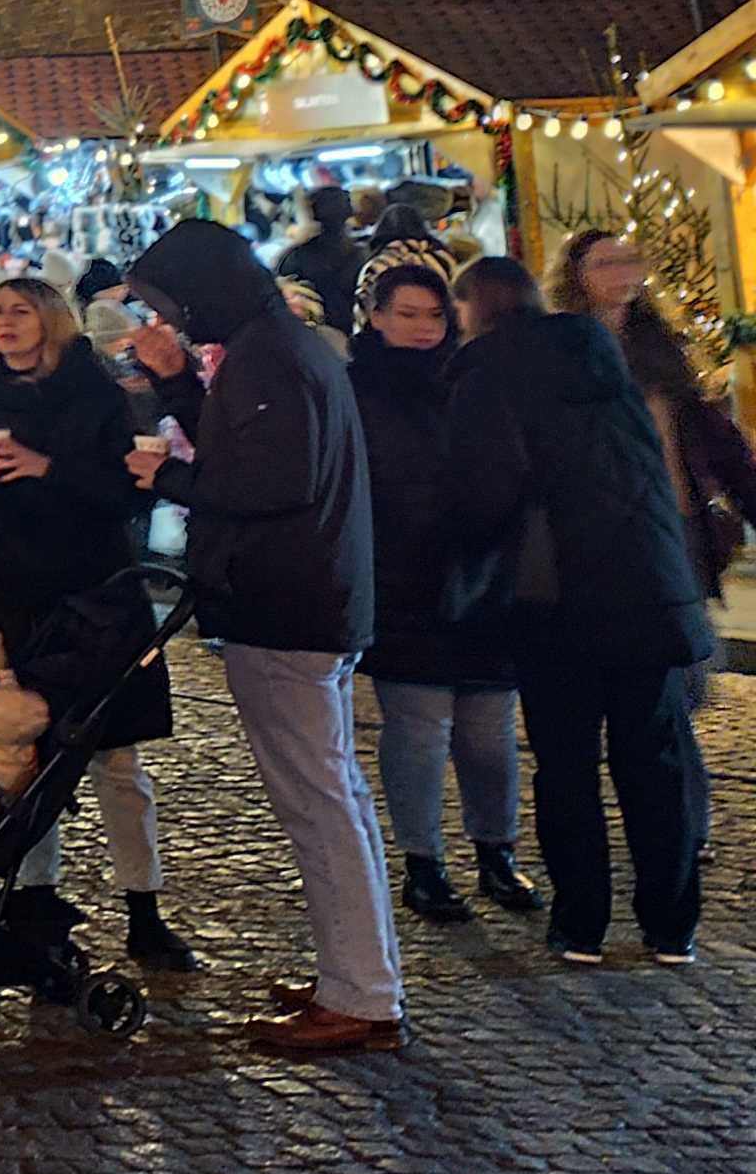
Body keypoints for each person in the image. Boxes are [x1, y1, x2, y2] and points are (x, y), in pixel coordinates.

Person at [122, 220, 397, 1055]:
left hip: (287, 604)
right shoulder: (276, 344)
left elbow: (271, 481)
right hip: (304, 599)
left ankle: (362, 993)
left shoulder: (273, 353)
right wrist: (177, 389)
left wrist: (164, 476)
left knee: (319, 804)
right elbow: (251, 449)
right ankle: (357, 973)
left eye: (172, 304)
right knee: (333, 795)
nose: (170, 318)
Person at [449, 253, 716, 966]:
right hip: (647, 590)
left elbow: (481, 496)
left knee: (567, 769)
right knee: (652, 765)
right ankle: (671, 926)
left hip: (556, 597)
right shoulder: (600, 362)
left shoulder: (486, 374)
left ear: (473, 310)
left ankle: (581, 925)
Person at [0, 275, 188, 972]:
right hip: (3, 595)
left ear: (51, 323)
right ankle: (31, 900)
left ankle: (144, 906)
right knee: (21, 755)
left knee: (115, 759)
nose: (6, 323)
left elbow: (122, 496)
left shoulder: (95, 394)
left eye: (21, 311)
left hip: (92, 595)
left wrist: (46, 467)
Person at [346, 257, 536, 927]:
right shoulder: (355, 388)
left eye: (434, 314)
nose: (424, 327)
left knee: (489, 733)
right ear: (375, 317)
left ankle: (496, 851)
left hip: (481, 574)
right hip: (402, 580)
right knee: (420, 730)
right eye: (408, 314)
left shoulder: (478, 379)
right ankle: (422, 862)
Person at [555, 228, 756, 591]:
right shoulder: (564, 352)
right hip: (608, 531)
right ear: (577, 275)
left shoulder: (660, 345)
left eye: (627, 262)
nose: (620, 274)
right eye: (604, 265)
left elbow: (714, 435)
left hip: (676, 516)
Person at [274, 183, 368, 340]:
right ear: (349, 212)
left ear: (311, 213)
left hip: (314, 343)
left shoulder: (293, 258)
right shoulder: (366, 255)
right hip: (359, 338)